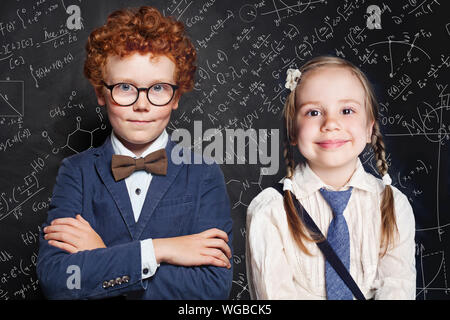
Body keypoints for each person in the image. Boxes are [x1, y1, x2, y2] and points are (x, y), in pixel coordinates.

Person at [36, 6, 233, 300]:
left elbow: (211, 289)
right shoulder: (76, 171)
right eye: (126, 87)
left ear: (176, 96)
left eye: (158, 88)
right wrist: (159, 250)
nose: (142, 105)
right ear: (101, 93)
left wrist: (101, 255)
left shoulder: (203, 174)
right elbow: (58, 280)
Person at [246, 56, 416, 300]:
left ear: (369, 127)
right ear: (293, 130)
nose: (331, 123)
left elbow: (397, 289)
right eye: (313, 112)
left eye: (347, 111)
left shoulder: (393, 206)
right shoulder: (271, 211)